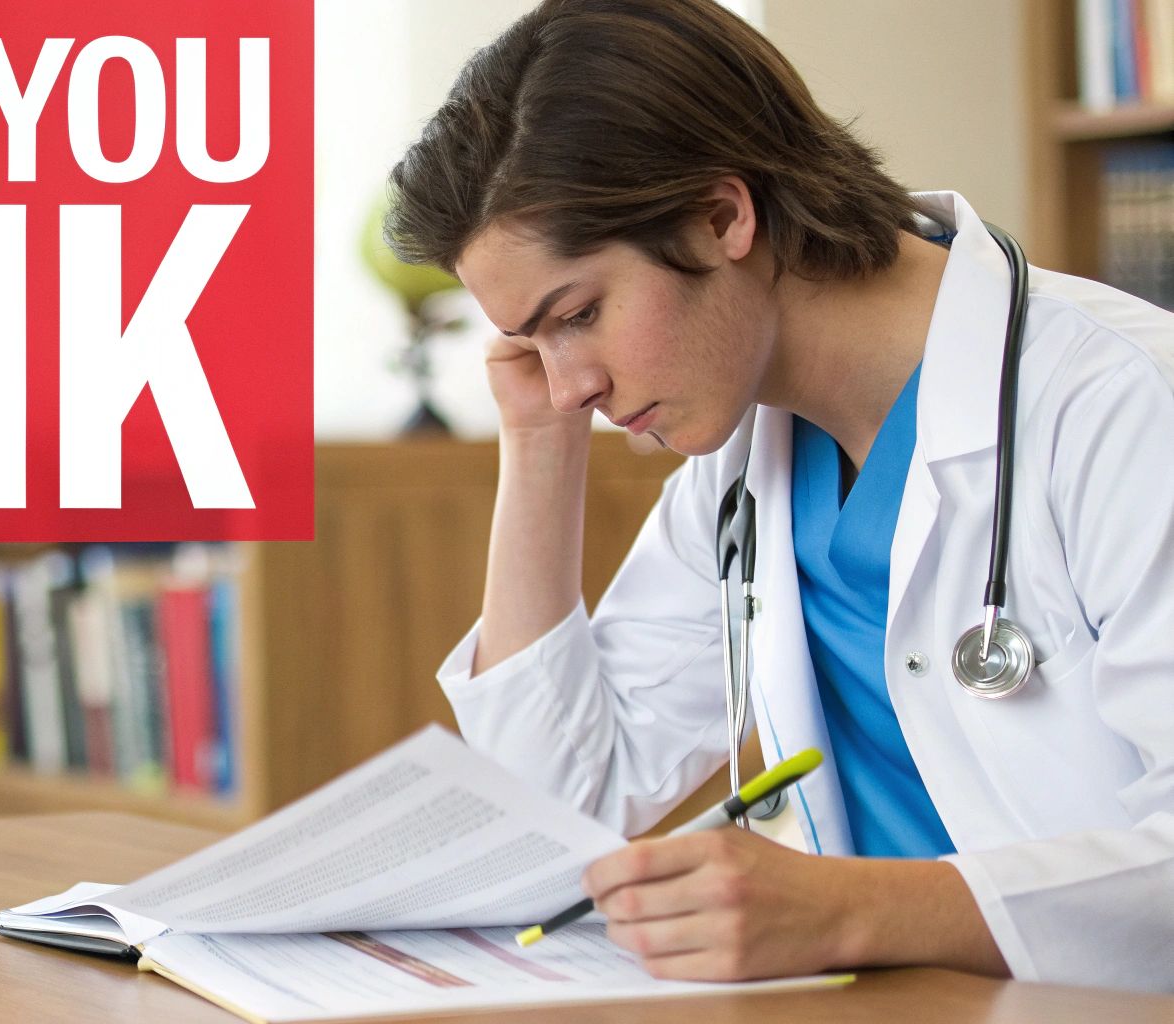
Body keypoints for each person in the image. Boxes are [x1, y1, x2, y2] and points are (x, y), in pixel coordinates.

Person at [383, 0, 1174, 993]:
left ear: (722, 216)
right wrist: (537, 442)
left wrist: (844, 909)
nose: (566, 381)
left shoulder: (1123, 404)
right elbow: (559, 804)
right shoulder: (739, 459)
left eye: (577, 314)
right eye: (530, 340)